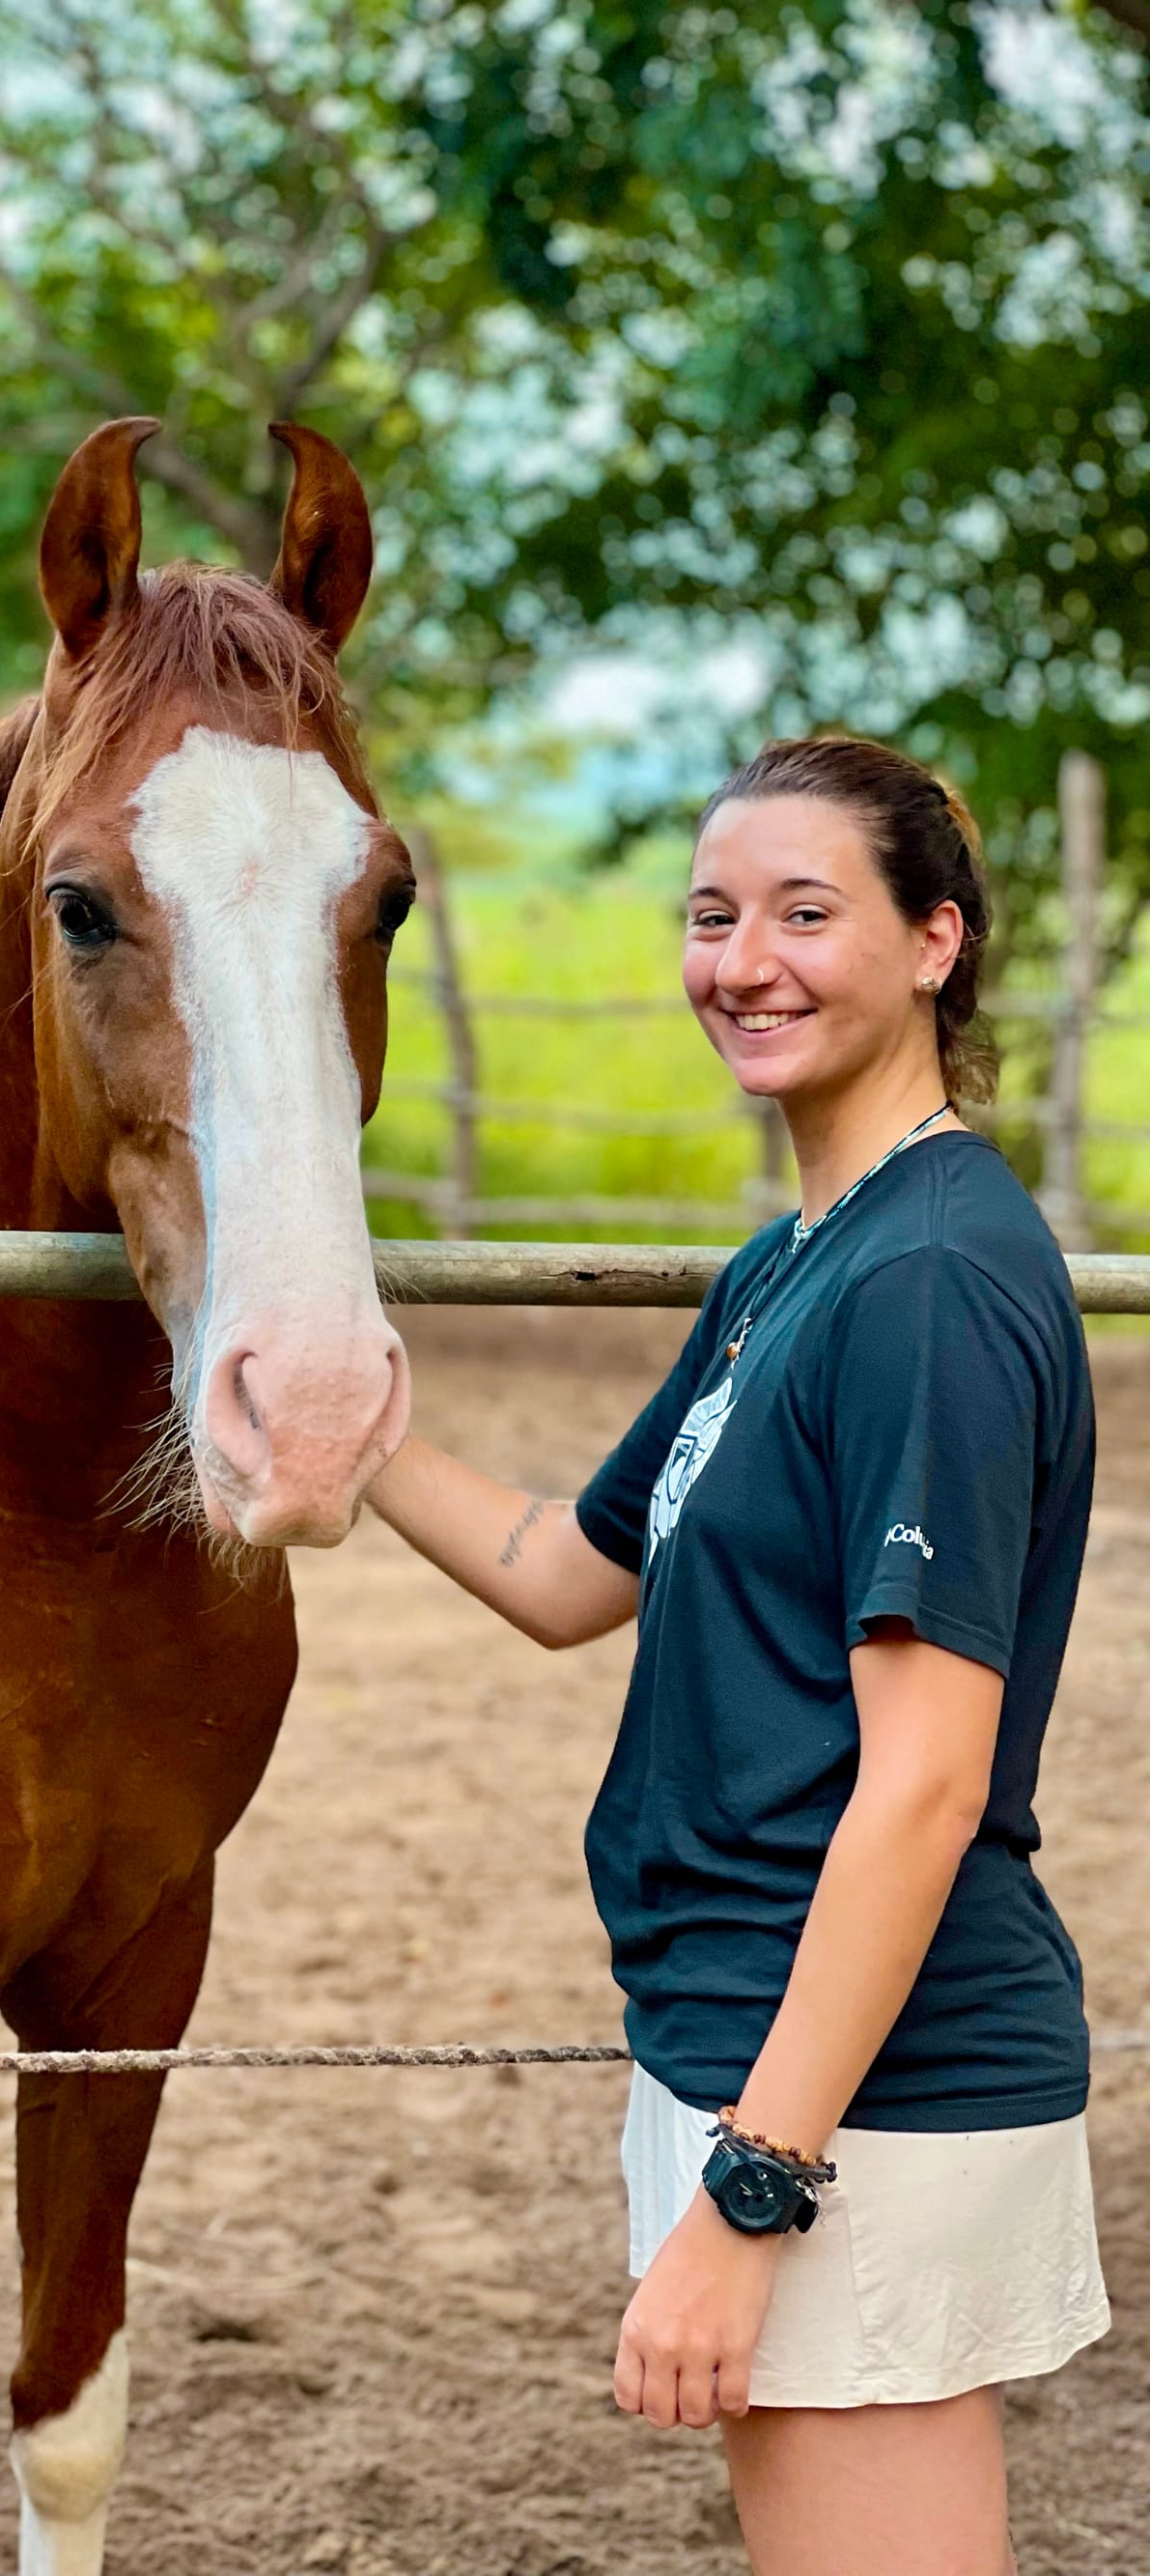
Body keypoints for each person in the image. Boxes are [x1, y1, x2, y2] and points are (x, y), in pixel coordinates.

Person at [369, 735, 1105, 2576]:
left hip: (867, 2083)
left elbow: (926, 1781)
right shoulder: (794, 1261)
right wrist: (340, 1423)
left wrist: (754, 2191)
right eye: (712, 916)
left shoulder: (927, 1281)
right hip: (763, 2033)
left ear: (937, 942)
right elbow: (563, 1572)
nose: (744, 960)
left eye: (805, 911)